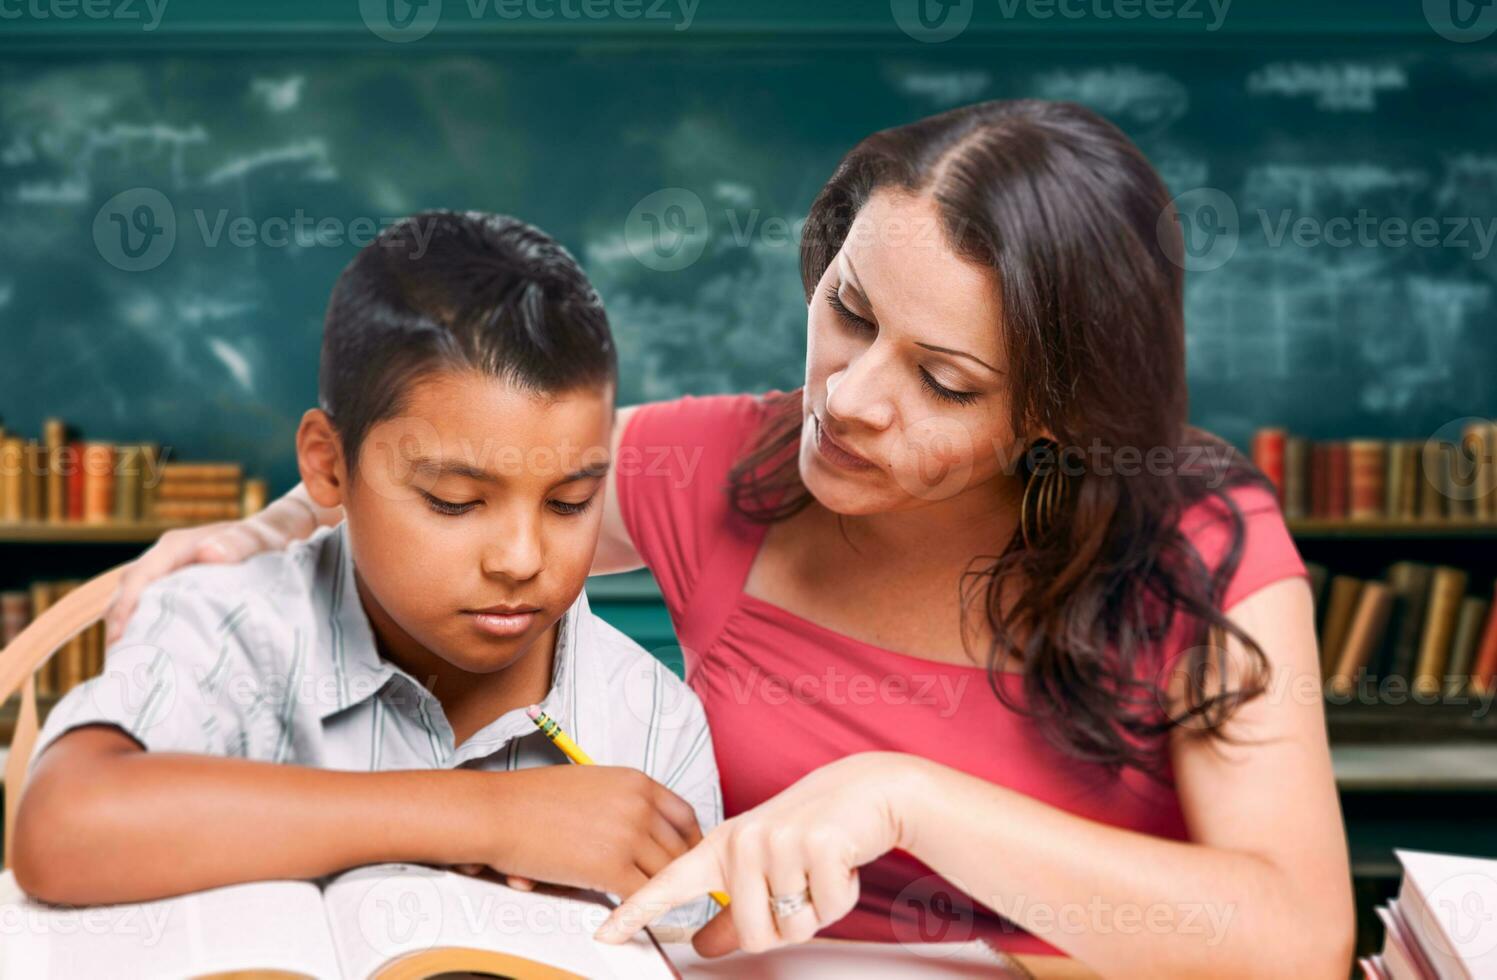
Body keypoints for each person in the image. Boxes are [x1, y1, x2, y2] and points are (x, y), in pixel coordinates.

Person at [103, 102, 1354, 976]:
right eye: (848, 312)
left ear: (1060, 418)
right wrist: (257, 535)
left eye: (947, 382)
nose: (851, 396)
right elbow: (445, 480)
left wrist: (901, 800)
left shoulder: (1196, 534)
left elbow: (1297, 934)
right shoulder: (729, 463)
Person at [14, 212, 719, 932]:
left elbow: (692, 950)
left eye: (571, 503)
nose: (520, 560)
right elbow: (63, 826)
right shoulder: (229, 624)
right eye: (453, 502)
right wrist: (487, 816)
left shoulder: (652, 718)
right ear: (327, 464)